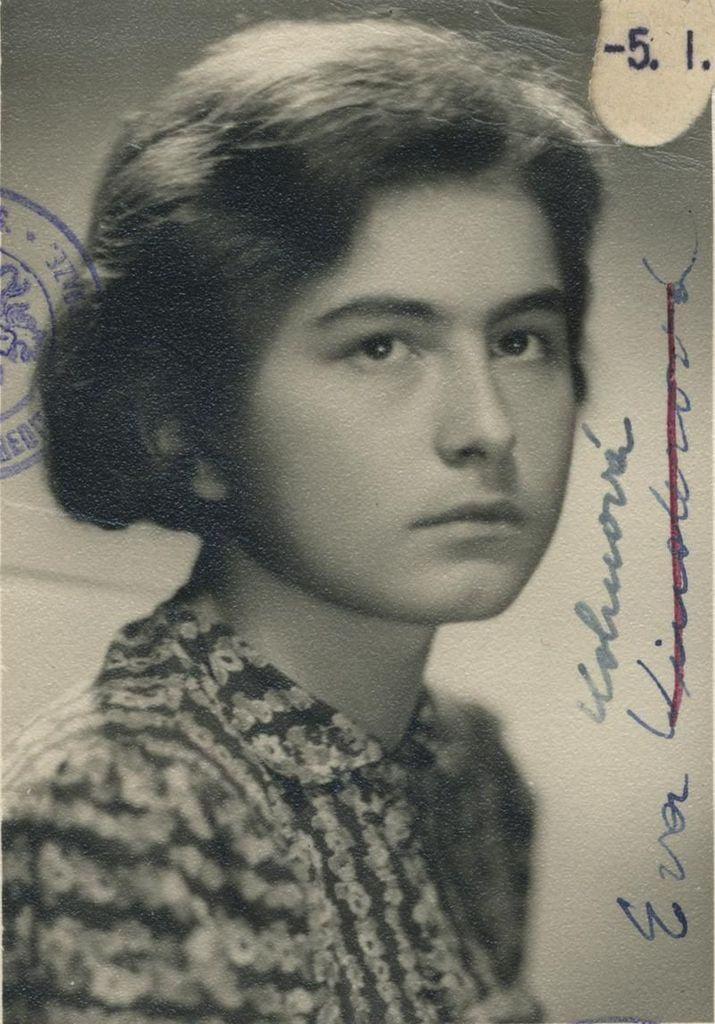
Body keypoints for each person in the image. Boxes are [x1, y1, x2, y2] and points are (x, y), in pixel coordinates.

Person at [3, 14, 602, 1024]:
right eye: (381, 346)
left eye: (520, 339)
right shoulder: (120, 804)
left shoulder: (468, 772)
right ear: (183, 419)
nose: (487, 427)